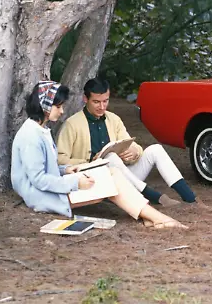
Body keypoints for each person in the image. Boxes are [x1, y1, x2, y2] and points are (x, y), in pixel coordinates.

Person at [11, 81, 187, 229]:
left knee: (112, 173)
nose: (62, 111)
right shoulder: (31, 136)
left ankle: (152, 217)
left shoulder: (40, 130)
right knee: (110, 177)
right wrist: (75, 181)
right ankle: (155, 217)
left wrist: (67, 170)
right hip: (43, 196)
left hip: (60, 185)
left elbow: (49, 168)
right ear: (45, 106)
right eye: (58, 106)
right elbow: (38, 180)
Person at [57, 78, 197, 207]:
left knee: (156, 149)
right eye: (96, 102)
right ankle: (151, 195)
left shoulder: (114, 119)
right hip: (94, 180)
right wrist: (89, 162)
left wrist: (133, 153)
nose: (102, 106)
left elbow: (132, 145)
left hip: (123, 177)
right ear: (85, 99)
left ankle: (189, 197)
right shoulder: (72, 124)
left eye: (105, 101)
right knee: (110, 158)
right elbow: (60, 160)